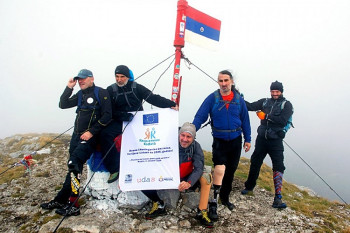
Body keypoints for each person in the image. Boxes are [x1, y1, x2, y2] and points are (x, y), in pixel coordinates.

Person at [40, 69, 112, 216]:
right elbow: (63, 104)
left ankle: (73, 205)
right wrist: (69, 87)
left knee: (74, 162)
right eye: (79, 79)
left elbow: (107, 115)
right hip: (76, 137)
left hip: (90, 137)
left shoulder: (101, 93)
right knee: (73, 167)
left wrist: (91, 131)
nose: (81, 81)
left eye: (83, 79)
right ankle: (60, 200)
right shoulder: (80, 94)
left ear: (92, 78)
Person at [100, 65, 178, 183]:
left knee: (148, 140)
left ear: (128, 77)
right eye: (117, 77)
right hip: (119, 119)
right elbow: (108, 110)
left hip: (137, 120)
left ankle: (151, 166)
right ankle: (114, 169)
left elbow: (152, 98)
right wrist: (122, 116)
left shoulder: (136, 88)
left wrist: (170, 104)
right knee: (105, 135)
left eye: (122, 77)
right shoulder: (110, 90)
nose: (119, 79)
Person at [192, 70, 251, 221]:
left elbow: (245, 120)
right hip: (219, 140)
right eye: (220, 81)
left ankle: (225, 198)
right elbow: (201, 116)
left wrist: (248, 139)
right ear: (218, 82)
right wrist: (192, 131)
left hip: (236, 140)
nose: (223, 84)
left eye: (226, 80)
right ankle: (214, 201)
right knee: (219, 170)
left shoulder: (238, 100)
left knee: (230, 171)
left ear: (231, 81)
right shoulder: (213, 98)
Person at [142, 122, 214, 228]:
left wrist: (189, 183)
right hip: (168, 176)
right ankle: (158, 204)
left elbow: (199, 168)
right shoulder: (169, 142)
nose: (184, 139)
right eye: (183, 135)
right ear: (179, 134)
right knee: (141, 177)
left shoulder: (196, 146)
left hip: (186, 178)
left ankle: (201, 211)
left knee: (206, 178)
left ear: (193, 138)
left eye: (188, 137)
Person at [241, 81, 293, 209]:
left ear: (281, 92)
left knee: (278, 165)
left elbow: (283, 120)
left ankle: (278, 198)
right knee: (255, 161)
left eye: (277, 91)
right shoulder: (264, 102)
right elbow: (250, 106)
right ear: (270, 91)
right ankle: (249, 187)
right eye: (273, 91)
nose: (275, 94)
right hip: (262, 139)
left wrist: (266, 116)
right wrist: (239, 97)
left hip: (276, 141)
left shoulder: (287, 105)